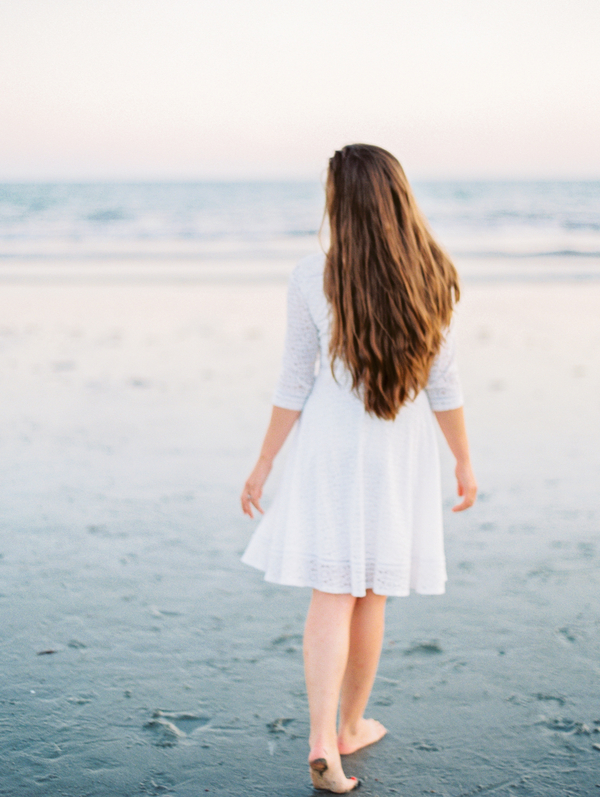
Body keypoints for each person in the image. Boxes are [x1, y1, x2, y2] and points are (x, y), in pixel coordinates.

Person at [240, 144, 477, 793]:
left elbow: (295, 378)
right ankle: (350, 727)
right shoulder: (435, 276)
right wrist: (463, 459)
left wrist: (264, 462)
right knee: (372, 588)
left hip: (329, 446)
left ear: (338, 202)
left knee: (331, 588)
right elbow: (443, 386)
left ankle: (322, 738)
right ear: (399, 199)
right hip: (396, 454)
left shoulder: (311, 274)